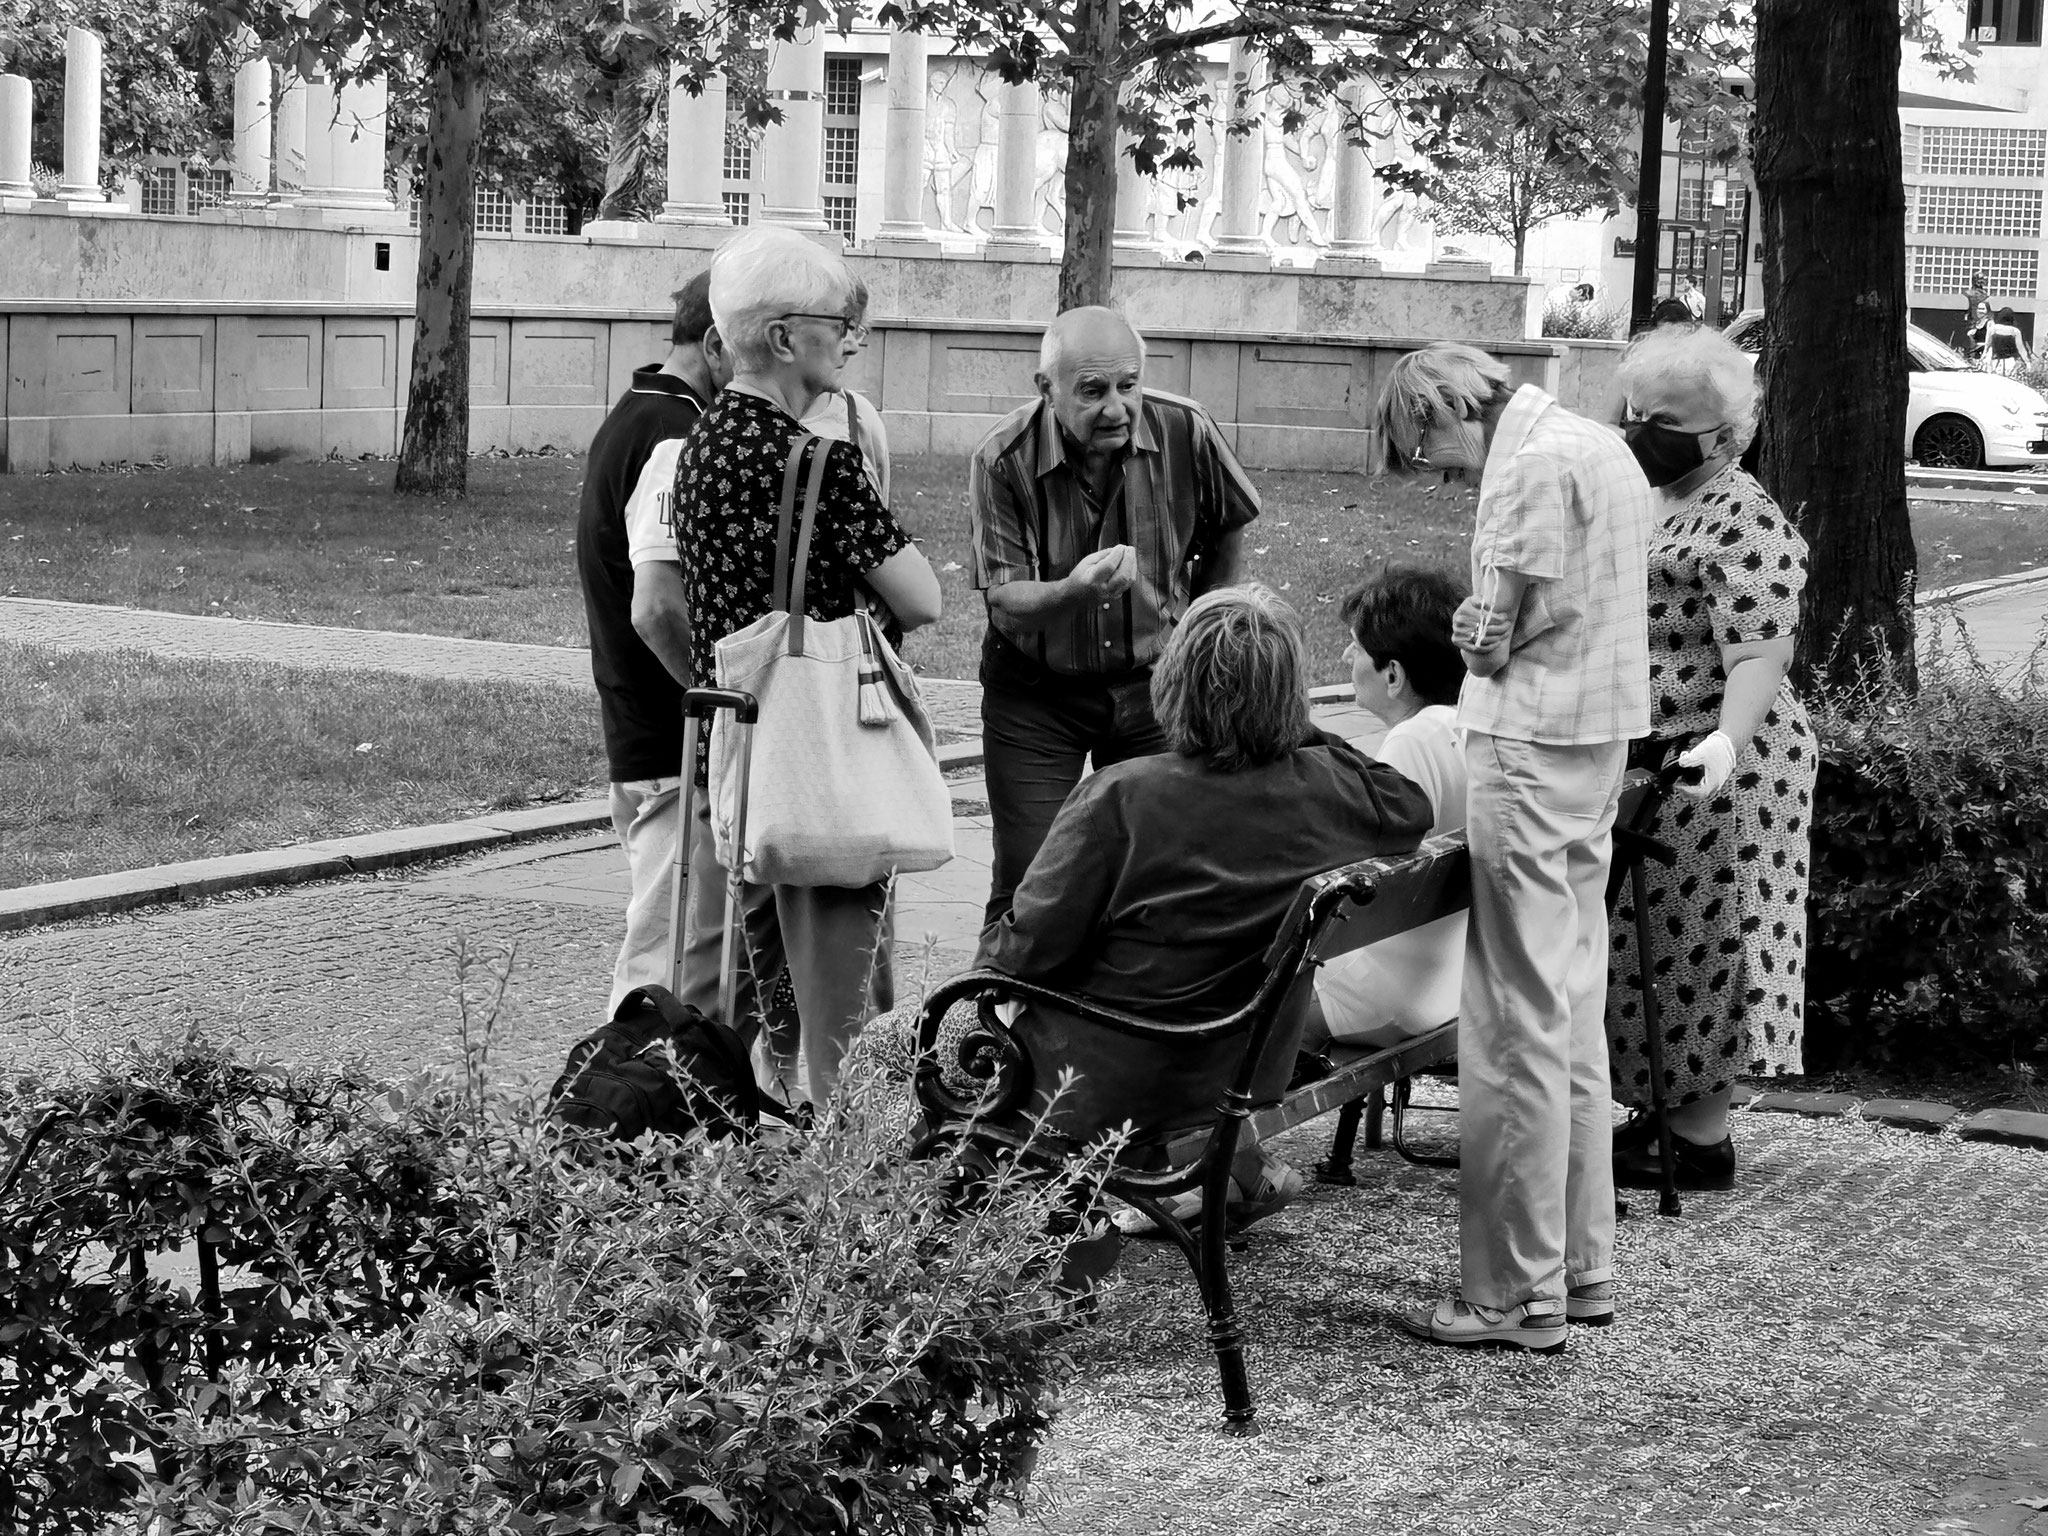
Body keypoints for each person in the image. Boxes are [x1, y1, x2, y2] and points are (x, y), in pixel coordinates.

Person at [978, 584, 1434, 1219]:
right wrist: (1283, 720)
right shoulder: (1335, 790)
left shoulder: (1121, 797)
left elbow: (1024, 951)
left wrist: (991, 954)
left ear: (1172, 684)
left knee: (908, 1045)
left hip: (1115, 1075)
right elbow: (1411, 803)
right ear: (1291, 693)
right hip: (1250, 1068)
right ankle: (1239, 1171)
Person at [1372, 342, 1651, 1354]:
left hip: (1527, 748)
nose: (1441, 470)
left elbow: (1489, 634)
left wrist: (1469, 625)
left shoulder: (1523, 463)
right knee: (1569, 1012)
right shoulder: (1598, 446)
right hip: (1596, 743)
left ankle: (1510, 1294)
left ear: (1447, 405)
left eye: (1429, 449)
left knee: (1510, 1026)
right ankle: (1579, 1267)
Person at [667, 226, 943, 1108]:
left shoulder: (703, 446)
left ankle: (782, 1188)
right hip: (823, 756)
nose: (849, 339)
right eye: (837, 324)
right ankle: (853, 1210)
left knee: (775, 1011)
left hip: (746, 753)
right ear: (785, 337)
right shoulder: (817, 460)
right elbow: (923, 597)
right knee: (850, 1022)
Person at [1606, 324, 1817, 1191]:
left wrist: (1725, 741)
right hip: (1664, 758)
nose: (1642, 431)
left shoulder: (1744, 515)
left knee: (1706, 940)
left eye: (1668, 421)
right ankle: (1665, 1111)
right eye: (1638, 412)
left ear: (1728, 435)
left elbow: (1763, 653)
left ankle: (1698, 1138)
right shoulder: (1655, 498)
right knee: (1648, 941)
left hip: (1728, 767)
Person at [968, 305, 1263, 926]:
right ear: (1046, 390)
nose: (1116, 408)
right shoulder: (1003, 458)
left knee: (1165, 866)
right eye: (1093, 391)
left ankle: (1127, 1013)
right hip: (1036, 695)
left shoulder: (1186, 428)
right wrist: (1075, 592)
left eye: (1128, 386)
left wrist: (1199, 622)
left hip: (1156, 687)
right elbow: (1004, 597)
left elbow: (1230, 519)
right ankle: (997, 1014)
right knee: (1031, 878)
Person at [578, 271, 731, 1015]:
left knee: (678, 958)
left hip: (649, 736)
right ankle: (603, 1121)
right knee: (660, 972)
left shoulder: (642, 412)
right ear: (714, 343)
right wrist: (717, 704)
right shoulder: (674, 434)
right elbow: (655, 609)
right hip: (670, 746)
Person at [1301, 564, 1470, 1053]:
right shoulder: (1465, 727)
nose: (1345, 655)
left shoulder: (1412, 743)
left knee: (1229, 998)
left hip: (1386, 997)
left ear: (1393, 674)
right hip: (1449, 983)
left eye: (1357, 646)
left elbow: (1355, 884)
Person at [1987, 307, 2031, 375]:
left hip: (1996, 361)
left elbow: (1987, 346)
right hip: (2010, 362)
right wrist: (2027, 362)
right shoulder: (2015, 331)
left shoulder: (1992, 329)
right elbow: (2021, 349)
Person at [1964, 298, 1993, 363]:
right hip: (1975, 352)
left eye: (1983, 309)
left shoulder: (1990, 323)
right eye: (1979, 309)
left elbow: (1991, 340)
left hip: (1985, 352)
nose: (1980, 311)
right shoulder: (1976, 323)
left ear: (1987, 310)